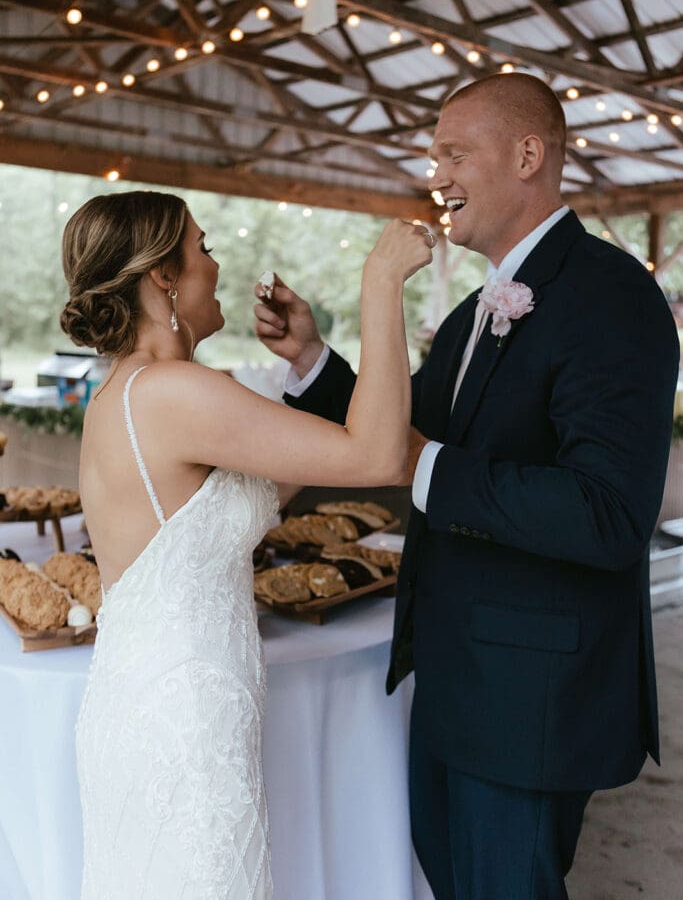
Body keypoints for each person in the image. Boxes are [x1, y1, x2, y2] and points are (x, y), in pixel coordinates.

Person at [253, 73, 680, 900]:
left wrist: (427, 467)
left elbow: (607, 517)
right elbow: (404, 426)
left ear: (528, 154)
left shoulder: (610, 296)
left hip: (532, 694)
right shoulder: (472, 312)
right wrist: (311, 360)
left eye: (454, 153)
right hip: (453, 675)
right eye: (432, 156)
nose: (435, 176)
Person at [60, 189, 434, 900]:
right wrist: (379, 286)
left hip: (156, 703)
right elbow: (378, 457)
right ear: (162, 277)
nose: (216, 265)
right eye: (203, 248)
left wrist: (306, 358)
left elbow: (281, 471)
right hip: (182, 725)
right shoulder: (174, 392)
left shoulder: (136, 391)